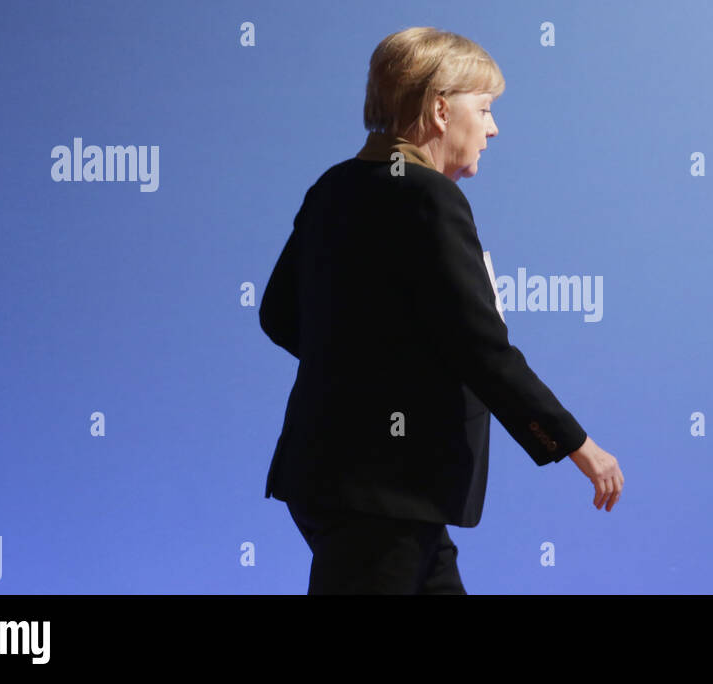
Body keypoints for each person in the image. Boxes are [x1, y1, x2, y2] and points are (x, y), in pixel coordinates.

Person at [258, 27, 623, 595]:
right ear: (439, 109)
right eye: (485, 108)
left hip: (338, 480)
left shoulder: (333, 187)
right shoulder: (428, 197)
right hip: (385, 490)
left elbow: (279, 316)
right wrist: (579, 446)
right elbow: (479, 348)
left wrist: (366, 367)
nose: (493, 127)